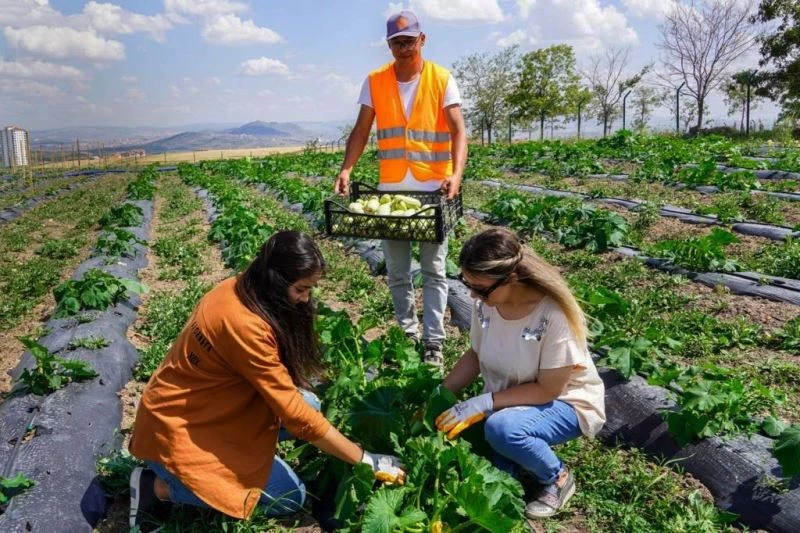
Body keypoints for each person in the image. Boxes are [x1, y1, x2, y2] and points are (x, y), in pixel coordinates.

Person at [127, 231, 404, 531]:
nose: (306, 298)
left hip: (207, 410)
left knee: (309, 401)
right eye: (301, 289)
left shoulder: (240, 287)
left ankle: (243, 459)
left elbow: (293, 399)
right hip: (178, 431)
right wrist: (365, 459)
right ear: (276, 281)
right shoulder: (245, 326)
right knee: (289, 497)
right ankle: (158, 487)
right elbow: (299, 419)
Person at [434, 228, 605, 519]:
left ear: (511, 278)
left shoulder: (552, 315)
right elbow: (475, 355)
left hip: (564, 403)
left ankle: (558, 477)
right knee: (486, 466)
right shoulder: (485, 305)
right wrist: (438, 395)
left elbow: (548, 389)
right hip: (508, 401)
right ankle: (516, 463)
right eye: (468, 284)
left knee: (502, 430)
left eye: (480, 288)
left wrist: (483, 402)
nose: (473, 294)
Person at [333, 10, 468, 368]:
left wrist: (455, 173)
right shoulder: (375, 81)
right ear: (389, 44)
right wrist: (347, 168)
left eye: (409, 40)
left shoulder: (442, 79)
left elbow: (458, 132)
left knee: (435, 270)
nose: (404, 47)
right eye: (397, 42)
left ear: (422, 40)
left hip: (432, 190)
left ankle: (433, 342)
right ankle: (408, 333)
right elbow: (361, 131)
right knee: (396, 271)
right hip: (390, 192)